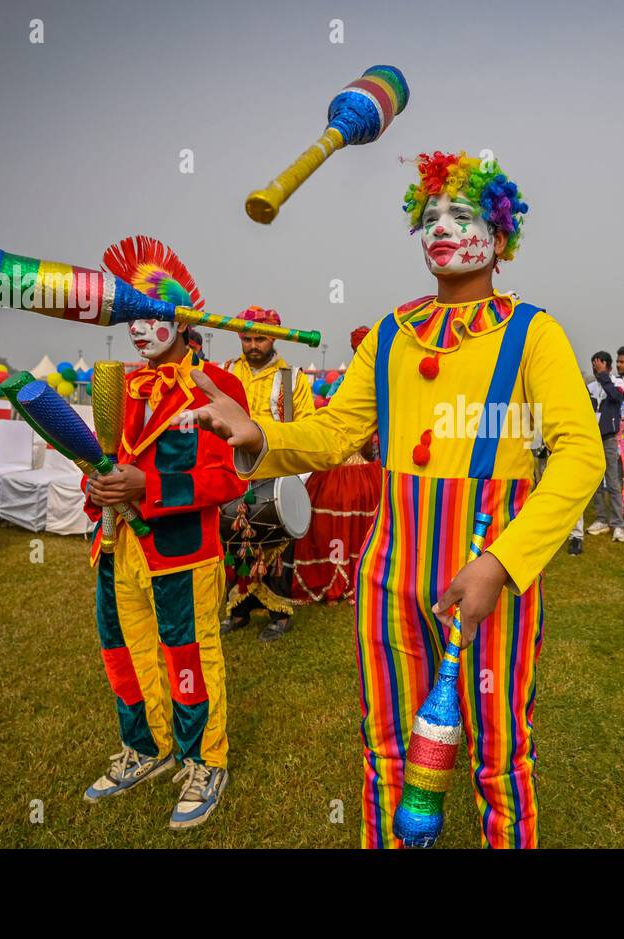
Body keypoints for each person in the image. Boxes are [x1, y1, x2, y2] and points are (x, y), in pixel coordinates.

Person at [180, 150, 604, 848]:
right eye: (430, 215)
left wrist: (500, 564)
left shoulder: (535, 334)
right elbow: (335, 429)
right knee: (387, 747)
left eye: (462, 216)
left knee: (498, 754)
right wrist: (257, 432)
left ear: (499, 239)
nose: (441, 227)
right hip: (389, 578)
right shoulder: (392, 333)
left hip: (487, 575)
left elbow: (582, 455)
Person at [80, 236, 249, 829]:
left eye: (150, 317)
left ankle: (205, 758)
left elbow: (227, 479)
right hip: (115, 547)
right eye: (130, 318)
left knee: (189, 654)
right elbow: (105, 462)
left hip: (182, 552)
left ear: (182, 320)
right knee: (123, 651)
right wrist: (97, 488)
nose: (138, 330)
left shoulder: (218, 387)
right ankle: (146, 747)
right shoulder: (118, 385)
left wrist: (145, 489)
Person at [220, 306, 317, 641]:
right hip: (232, 473)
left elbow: (306, 427)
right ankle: (238, 608)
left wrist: (294, 479)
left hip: (275, 475)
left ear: (274, 337)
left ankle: (280, 613)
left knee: (275, 545)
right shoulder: (227, 371)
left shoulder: (292, 379)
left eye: (260, 338)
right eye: (246, 338)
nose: (252, 345)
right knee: (235, 543)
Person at [290, 326, 383, 604]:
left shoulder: (349, 383)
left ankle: (346, 575)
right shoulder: (365, 383)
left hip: (354, 463)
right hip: (357, 464)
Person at [577, 350, 624, 549]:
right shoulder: (590, 386)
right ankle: (601, 518)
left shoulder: (617, 383)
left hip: (608, 438)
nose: (595, 369)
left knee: (613, 481)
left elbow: (616, 397)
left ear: (608, 366)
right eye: (593, 365)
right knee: (595, 481)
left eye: (598, 365)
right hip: (592, 437)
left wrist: (604, 377)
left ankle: (618, 523)